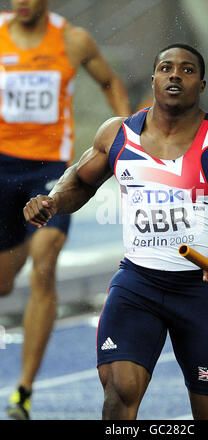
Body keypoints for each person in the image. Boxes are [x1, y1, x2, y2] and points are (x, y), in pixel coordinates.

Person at [24, 43, 208, 420]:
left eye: (186, 70)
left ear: (202, 84)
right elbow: (80, 184)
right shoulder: (118, 136)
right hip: (136, 285)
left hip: (196, 292)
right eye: (166, 68)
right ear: (154, 79)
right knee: (119, 393)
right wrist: (51, 201)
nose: (175, 75)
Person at [0, 0, 131, 420]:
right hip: (1, 167)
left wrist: (127, 135)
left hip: (49, 172)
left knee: (44, 266)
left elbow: (109, 81)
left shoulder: (72, 40)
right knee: (3, 282)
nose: (19, 2)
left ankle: (22, 391)